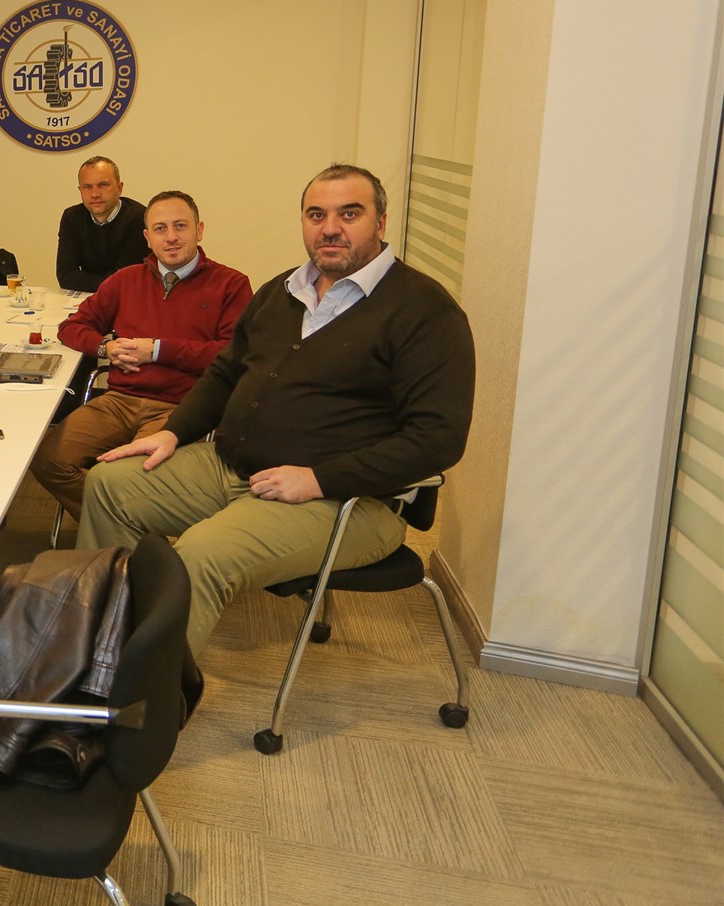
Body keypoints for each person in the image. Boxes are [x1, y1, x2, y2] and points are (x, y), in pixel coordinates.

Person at [76, 165, 476, 653]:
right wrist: (174, 432)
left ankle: (134, 693)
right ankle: (98, 648)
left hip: (345, 499)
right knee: (109, 485)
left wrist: (318, 479)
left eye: (350, 214)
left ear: (381, 222)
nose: (330, 228)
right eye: (316, 215)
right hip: (232, 467)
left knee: (198, 555)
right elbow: (225, 372)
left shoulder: (425, 311)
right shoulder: (282, 291)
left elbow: (437, 439)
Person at [31, 191, 252, 520]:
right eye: (160, 229)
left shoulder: (231, 284)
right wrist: (105, 347)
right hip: (118, 401)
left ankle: (121, 533)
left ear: (199, 230)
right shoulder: (126, 280)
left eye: (180, 226)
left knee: (130, 479)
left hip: (183, 406)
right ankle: (124, 528)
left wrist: (158, 350)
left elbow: (233, 354)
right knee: (48, 461)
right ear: (148, 238)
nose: (171, 237)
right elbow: (72, 326)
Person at [55, 155, 148, 292]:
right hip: (88, 298)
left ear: (119, 188)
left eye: (103, 185)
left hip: (130, 297)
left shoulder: (139, 218)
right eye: (87, 187)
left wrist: (84, 281)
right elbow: (66, 276)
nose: (95, 194)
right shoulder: (72, 217)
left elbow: (125, 280)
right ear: (80, 190)